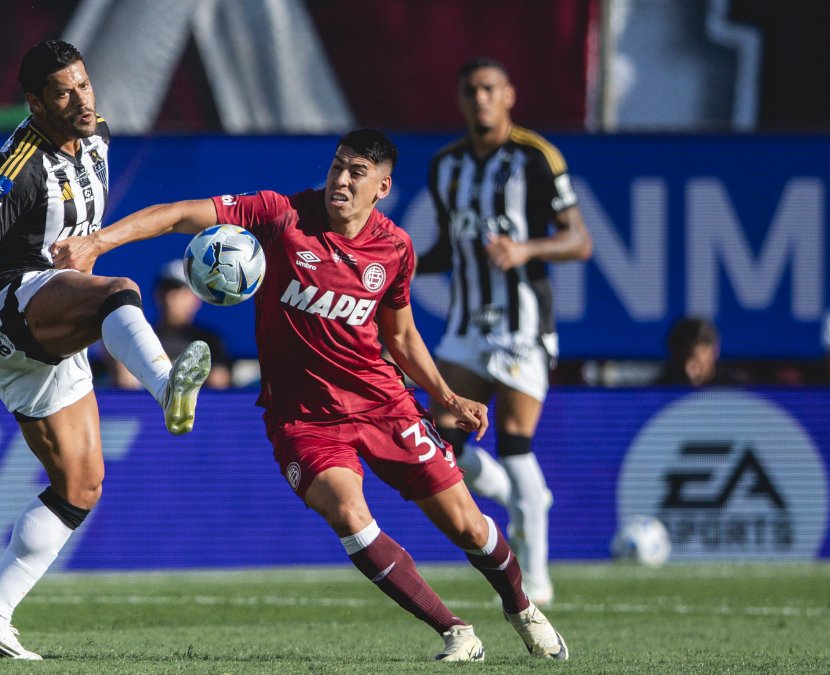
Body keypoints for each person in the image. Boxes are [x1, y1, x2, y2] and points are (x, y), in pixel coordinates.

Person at [54, 128, 569, 662]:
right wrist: (100, 241)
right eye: (337, 166)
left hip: (385, 406)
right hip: (304, 421)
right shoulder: (281, 215)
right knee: (348, 514)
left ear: (382, 187)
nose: (340, 180)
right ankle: (454, 630)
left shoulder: (394, 248)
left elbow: (400, 337)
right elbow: (183, 213)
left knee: (467, 525)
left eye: (356, 173)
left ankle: (521, 607)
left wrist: (448, 396)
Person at [0, 40, 210, 660]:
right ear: (35, 103)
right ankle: (167, 385)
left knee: (79, 486)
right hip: (8, 307)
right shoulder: (20, 164)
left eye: (84, 84)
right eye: (63, 91)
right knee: (119, 290)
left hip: (50, 328)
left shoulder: (98, 137)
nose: (81, 99)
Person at [416, 58, 593, 607]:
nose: (481, 99)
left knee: (517, 443)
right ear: (460, 99)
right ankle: (506, 488)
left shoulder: (536, 159)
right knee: (441, 444)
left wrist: (526, 249)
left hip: (522, 326)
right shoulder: (445, 166)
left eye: (490, 88)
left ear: (510, 94)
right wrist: (400, 264)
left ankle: (536, 575)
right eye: (471, 90)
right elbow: (448, 249)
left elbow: (579, 241)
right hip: (466, 328)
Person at [101, 259, 233, 389]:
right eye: (166, 290)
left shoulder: (210, 341)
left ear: (195, 299)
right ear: (157, 295)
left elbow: (219, 383)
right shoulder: (140, 337)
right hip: (144, 409)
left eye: (180, 292)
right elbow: (126, 385)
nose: (171, 298)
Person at [655, 316, 742, 386]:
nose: (688, 368)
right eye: (682, 358)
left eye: (696, 359)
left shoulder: (737, 389)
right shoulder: (656, 391)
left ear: (714, 351)